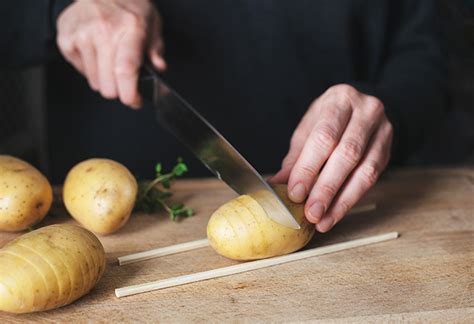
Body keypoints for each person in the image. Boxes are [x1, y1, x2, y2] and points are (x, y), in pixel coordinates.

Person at [1, 0, 445, 233]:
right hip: (106, 217)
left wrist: (389, 109)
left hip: (346, 197)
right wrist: (54, 7)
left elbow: (429, 55)